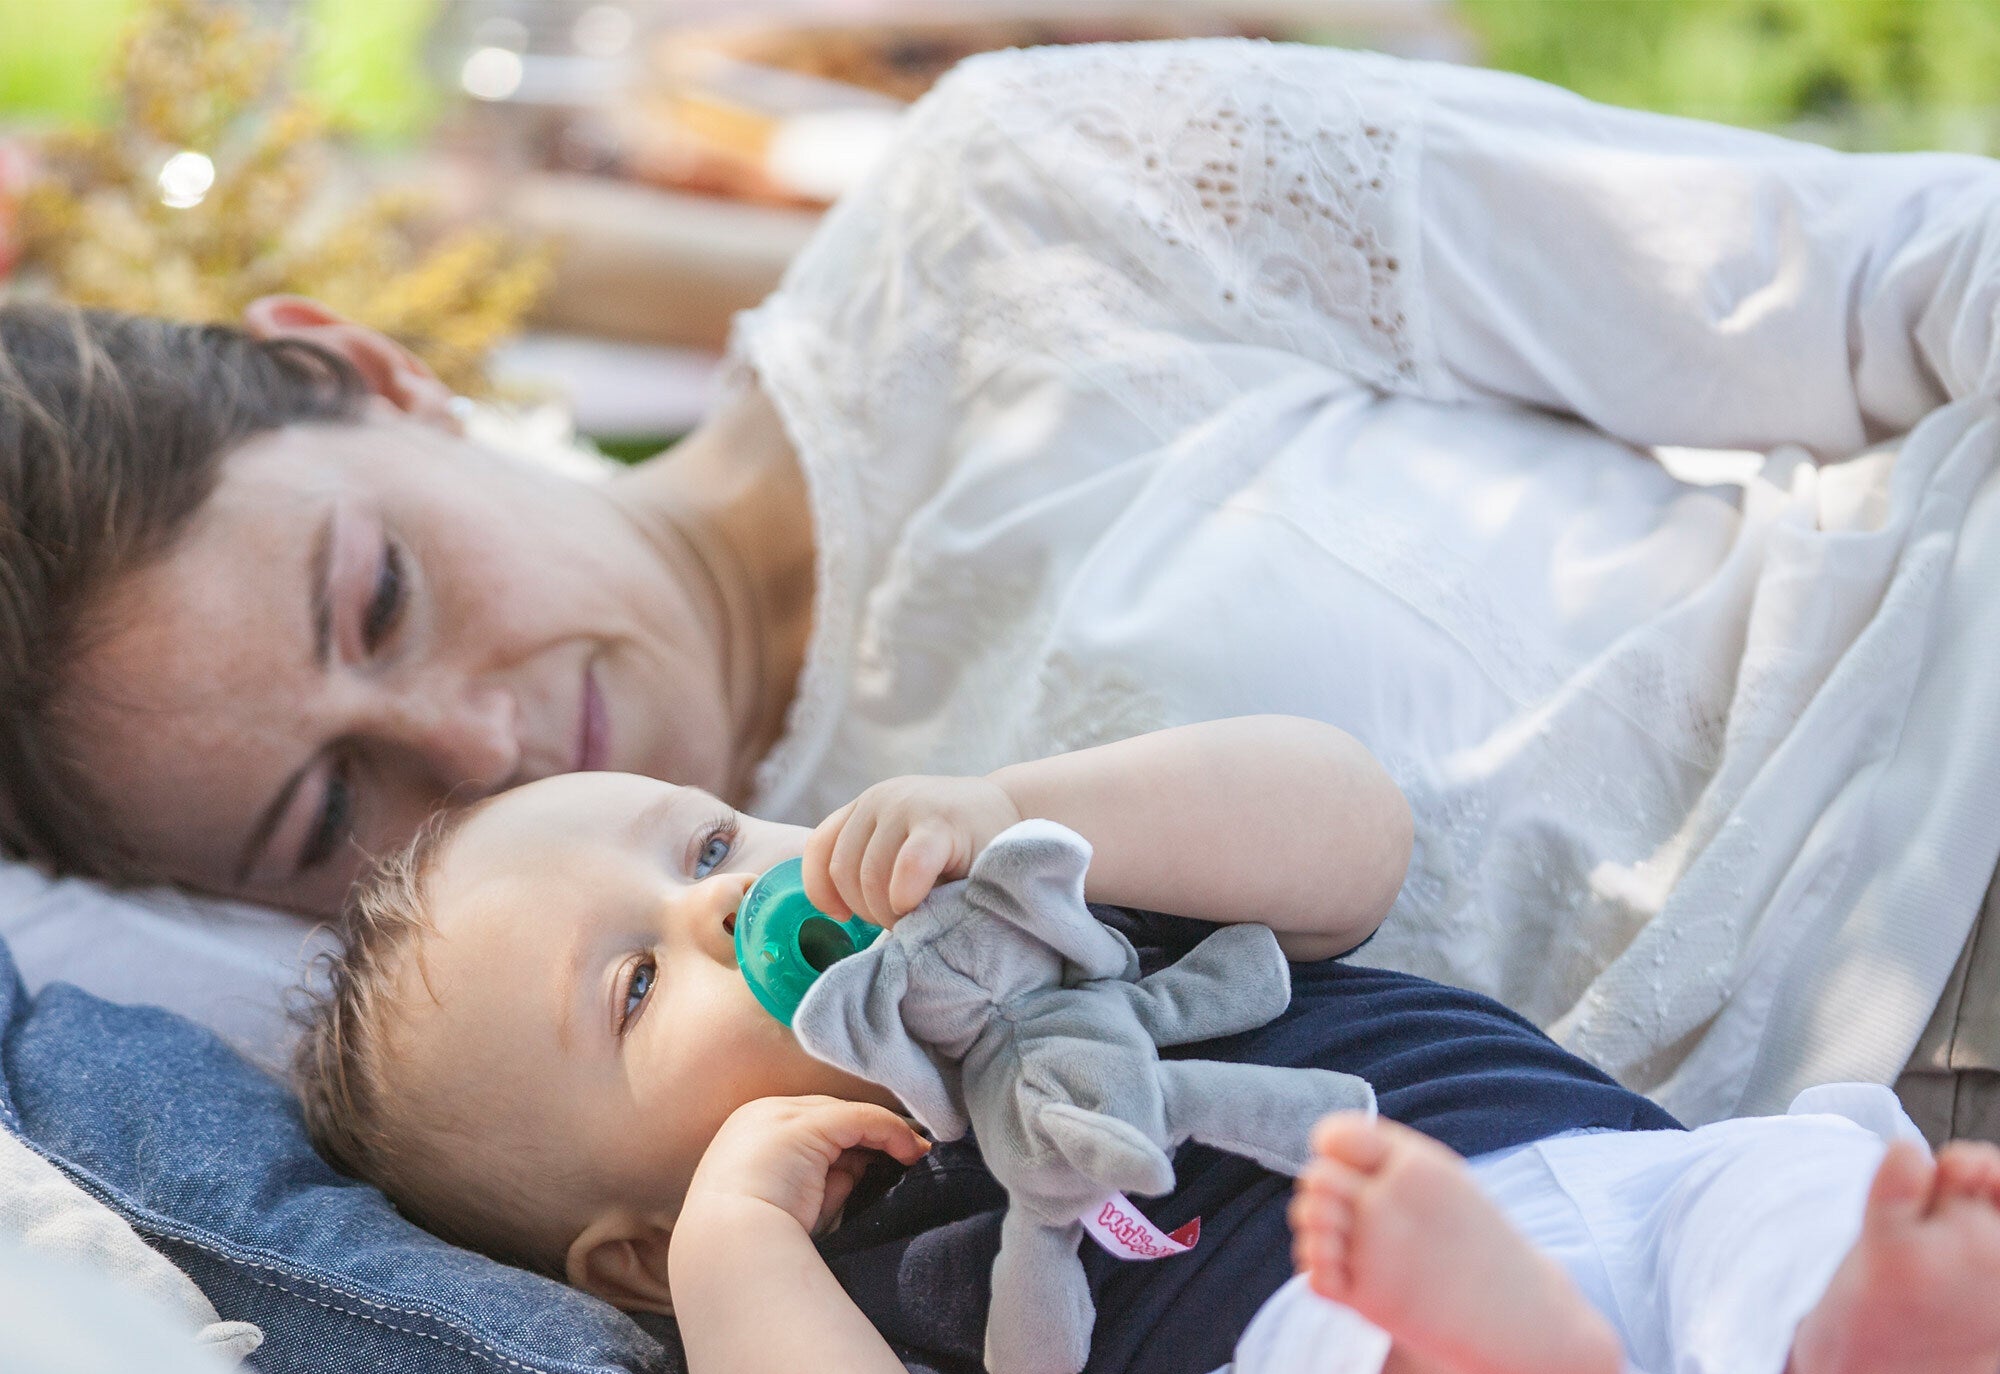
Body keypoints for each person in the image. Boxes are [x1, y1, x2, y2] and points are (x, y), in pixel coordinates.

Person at [9, 40, 2000, 1138]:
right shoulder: (684, 1070)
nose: (479, 739)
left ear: (369, 368)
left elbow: (1909, 273)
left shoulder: (1032, 207)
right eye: (328, 813)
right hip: (1855, 1239)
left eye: (376, 597)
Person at [289, 718, 2000, 1374]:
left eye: (709, 842)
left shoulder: (1061, 906)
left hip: (1606, 1184)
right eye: (641, 987)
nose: (725, 906)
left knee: (1780, 1207)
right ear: (633, 1256)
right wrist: (746, 1239)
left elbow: (1355, 827)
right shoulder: (859, 1269)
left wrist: (1021, 804)